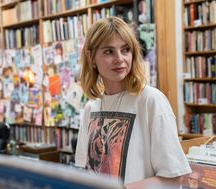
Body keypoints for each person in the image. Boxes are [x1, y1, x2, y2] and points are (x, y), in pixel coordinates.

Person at [75, 16, 191, 189]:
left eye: (125, 50)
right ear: (91, 57)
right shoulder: (91, 107)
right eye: (109, 51)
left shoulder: (151, 100)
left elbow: (174, 178)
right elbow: (86, 170)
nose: (120, 58)